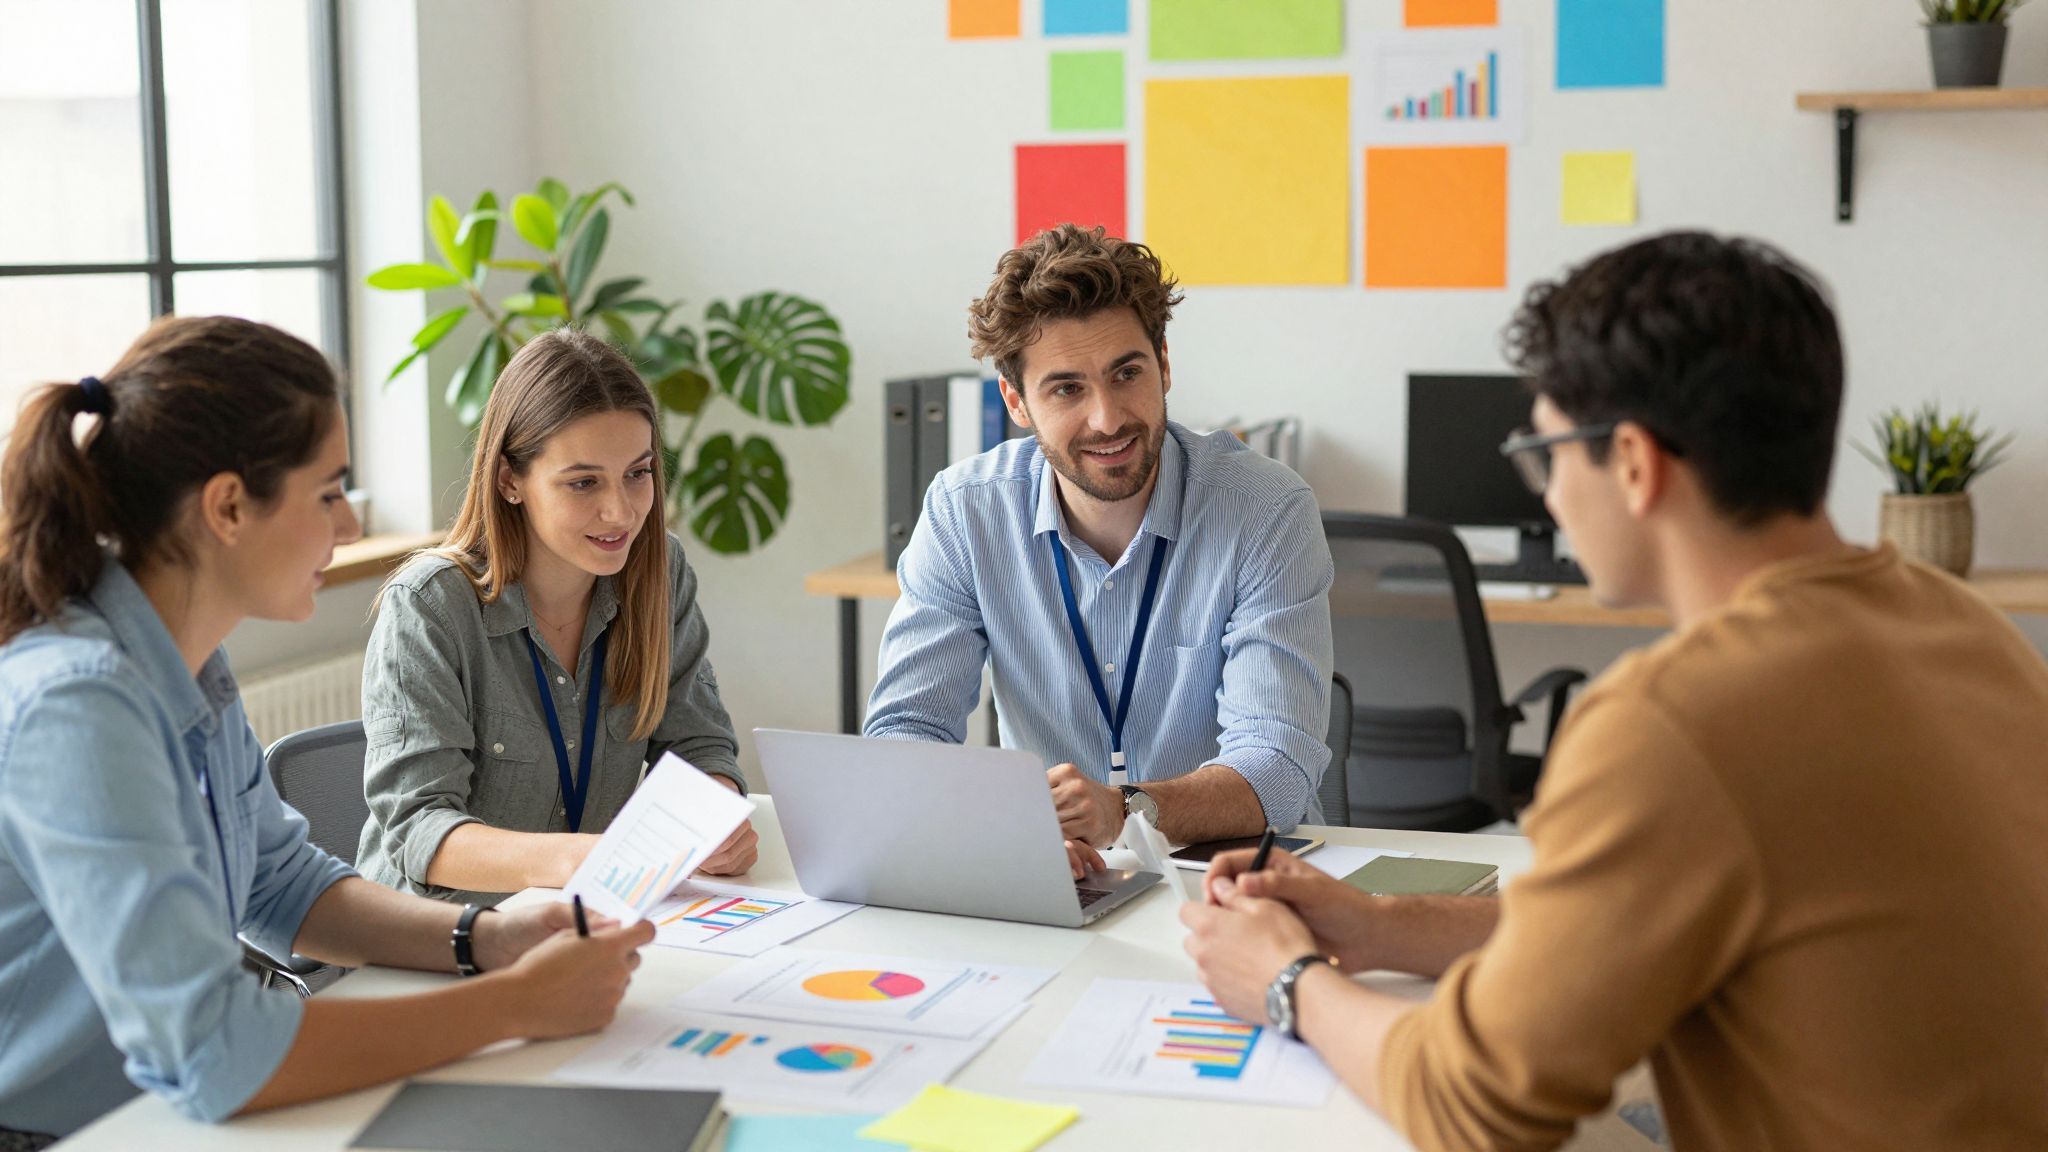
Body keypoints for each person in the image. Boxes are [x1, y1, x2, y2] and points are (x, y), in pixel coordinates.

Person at [1179, 232, 2048, 1150]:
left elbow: (1471, 1106)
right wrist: (1381, 926)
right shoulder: (1968, 630)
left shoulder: (1673, 721)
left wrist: (1290, 980)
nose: (1549, 497)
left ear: (1632, 462)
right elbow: (1622, 923)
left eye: (1546, 453)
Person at [0, 317, 653, 1147]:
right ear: (228, 507)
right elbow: (219, 1053)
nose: (349, 528)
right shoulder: (80, 706)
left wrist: (486, 938)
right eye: (329, 493)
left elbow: (278, 885)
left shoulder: (185, 662)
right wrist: (516, 1005)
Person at [865, 224, 1335, 877]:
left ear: (1164, 365)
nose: (1108, 418)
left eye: (1127, 373)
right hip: (1054, 872)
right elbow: (906, 733)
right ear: (1016, 402)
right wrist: (1006, 834)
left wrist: (1125, 809)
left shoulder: (1266, 511)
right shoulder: (965, 512)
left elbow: (1279, 769)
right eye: (1066, 389)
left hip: (1233, 873)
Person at [357, 328, 755, 905]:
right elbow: (420, 832)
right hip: (437, 941)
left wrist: (715, 815)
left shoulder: (658, 572)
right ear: (509, 481)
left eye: (638, 473)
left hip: (584, 920)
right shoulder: (430, 605)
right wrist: (587, 859)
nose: (620, 511)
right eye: (583, 482)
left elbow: (698, 744)